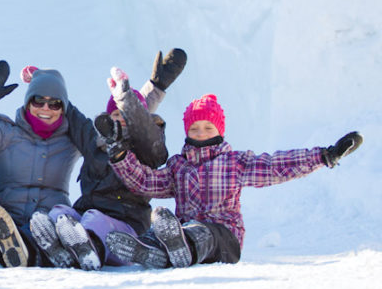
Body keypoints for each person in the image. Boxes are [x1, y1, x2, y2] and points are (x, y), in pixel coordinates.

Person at [101, 87, 363, 268]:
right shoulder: (178, 166)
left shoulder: (234, 162)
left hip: (225, 238)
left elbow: (277, 166)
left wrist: (323, 156)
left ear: (219, 129)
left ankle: (176, 247)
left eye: (207, 127)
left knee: (201, 233)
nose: (201, 133)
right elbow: (145, 182)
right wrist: (119, 156)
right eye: (194, 128)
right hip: (182, 231)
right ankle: (151, 249)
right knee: (163, 230)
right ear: (187, 131)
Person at [29, 51, 186, 270]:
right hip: (86, 216)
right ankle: (57, 249)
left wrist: (128, 100)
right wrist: (45, 85)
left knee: (94, 220)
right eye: (115, 115)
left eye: (125, 116)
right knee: (60, 213)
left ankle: (88, 250)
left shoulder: (147, 148)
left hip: (125, 228)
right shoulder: (95, 142)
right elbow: (72, 115)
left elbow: (145, 129)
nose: (120, 120)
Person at [0, 62, 95, 267]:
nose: (45, 109)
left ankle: (21, 248)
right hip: (2, 219)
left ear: (64, 109)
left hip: (47, 226)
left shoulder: (72, 140)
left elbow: (104, 142)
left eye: (55, 104)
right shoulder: (5, 132)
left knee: (51, 229)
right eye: (38, 100)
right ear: (27, 102)